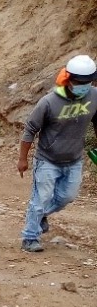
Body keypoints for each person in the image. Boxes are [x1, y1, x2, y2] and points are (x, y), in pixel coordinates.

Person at [18, 54, 97, 253]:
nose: (84, 86)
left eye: (88, 82)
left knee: (67, 197)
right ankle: (30, 237)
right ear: (69, 78)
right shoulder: (49, 102)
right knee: (40, 198)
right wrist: (22, 159)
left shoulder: (94, 96)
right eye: (80, 82)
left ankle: (41, 215)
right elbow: (30, 129)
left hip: (74, 159)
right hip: (47, 160)